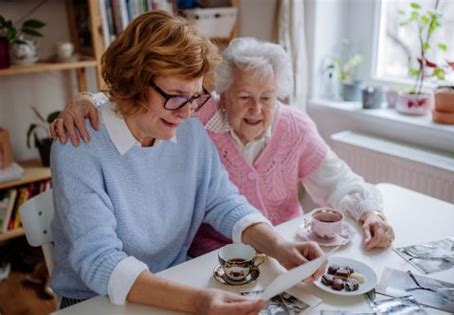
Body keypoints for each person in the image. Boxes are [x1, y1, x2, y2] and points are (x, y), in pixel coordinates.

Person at [50, 12, 324, 314]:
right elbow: (99, 260)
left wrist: (278, 245)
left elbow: (222, 200)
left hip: (173, 280)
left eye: (195, 97)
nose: (186, 112)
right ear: (134, 82)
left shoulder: (187, 127)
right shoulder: (79, 144)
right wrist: (197, 301)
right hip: (94, 300)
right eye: (176, 96)